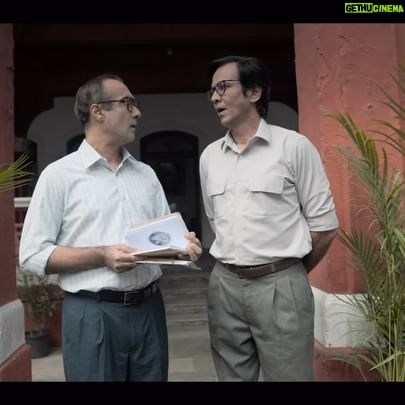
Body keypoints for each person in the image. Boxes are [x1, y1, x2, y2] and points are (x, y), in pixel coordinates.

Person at [19, 73, 202, 381]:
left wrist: (184, 247)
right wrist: (101, 255)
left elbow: (162, 240)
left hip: (149, 310)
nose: (137, 112)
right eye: (127, 103)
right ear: (98, 111)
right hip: (92, 313)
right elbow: (33, 254)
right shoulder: (58, 176)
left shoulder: (145, 174)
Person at [199, 56, 339, 381]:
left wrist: (288, 273)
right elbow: (216, 220)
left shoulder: (293, 147)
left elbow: (325, 227)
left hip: (280, 284)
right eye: (212, 91)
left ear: (254, 92)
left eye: (223, 87)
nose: (215, 97)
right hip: (224, 285)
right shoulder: (209, 157)